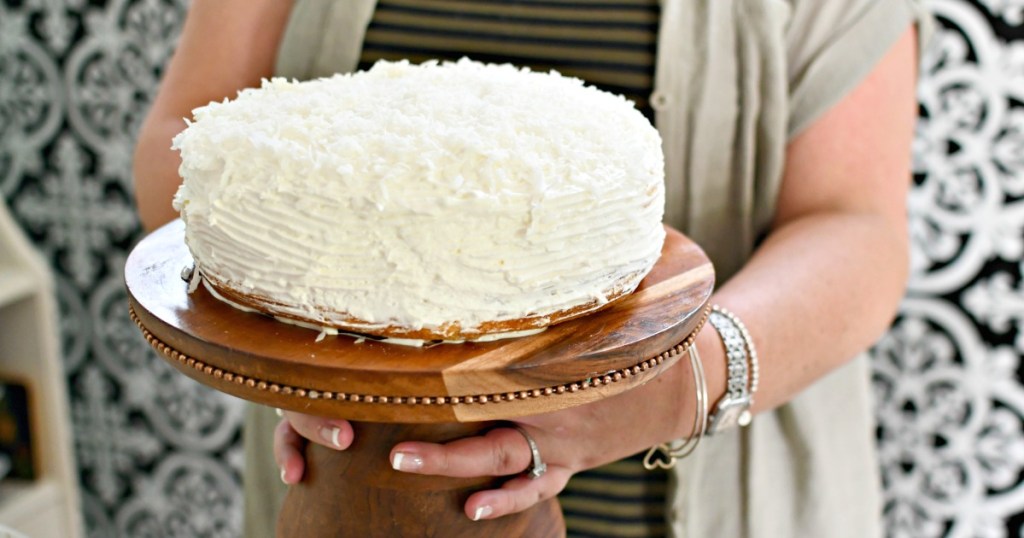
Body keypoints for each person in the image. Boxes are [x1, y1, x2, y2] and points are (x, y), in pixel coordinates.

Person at [134, 1, 933, 536]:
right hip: (354, 487)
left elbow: (854, 223)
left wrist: (671, 385)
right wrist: (299, 343)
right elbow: (186, 139)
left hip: (695, 499)